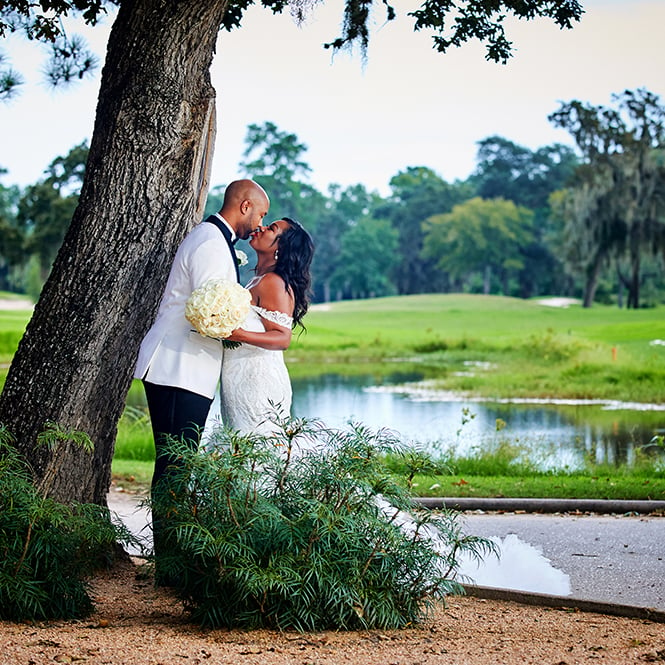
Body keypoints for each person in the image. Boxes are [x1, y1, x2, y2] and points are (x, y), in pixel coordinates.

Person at [133, 179, 269, 577]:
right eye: (260, 213)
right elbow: (207, 312)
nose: (260, 222)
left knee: (178, 464)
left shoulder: (216, 240)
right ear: (244, 206)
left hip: (190, 367)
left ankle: (171, 560)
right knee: (175, 464)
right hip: (178, 365)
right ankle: (170, 566)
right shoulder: (210, 241)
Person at [218, 216, 314, 435]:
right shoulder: (257, 280)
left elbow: (282, 337)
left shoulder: (273, 282)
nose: (260, 227)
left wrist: (238, 334)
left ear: (281, 247)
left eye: (271, 229)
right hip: (237, 376)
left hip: (257, 381)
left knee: (256, 445)